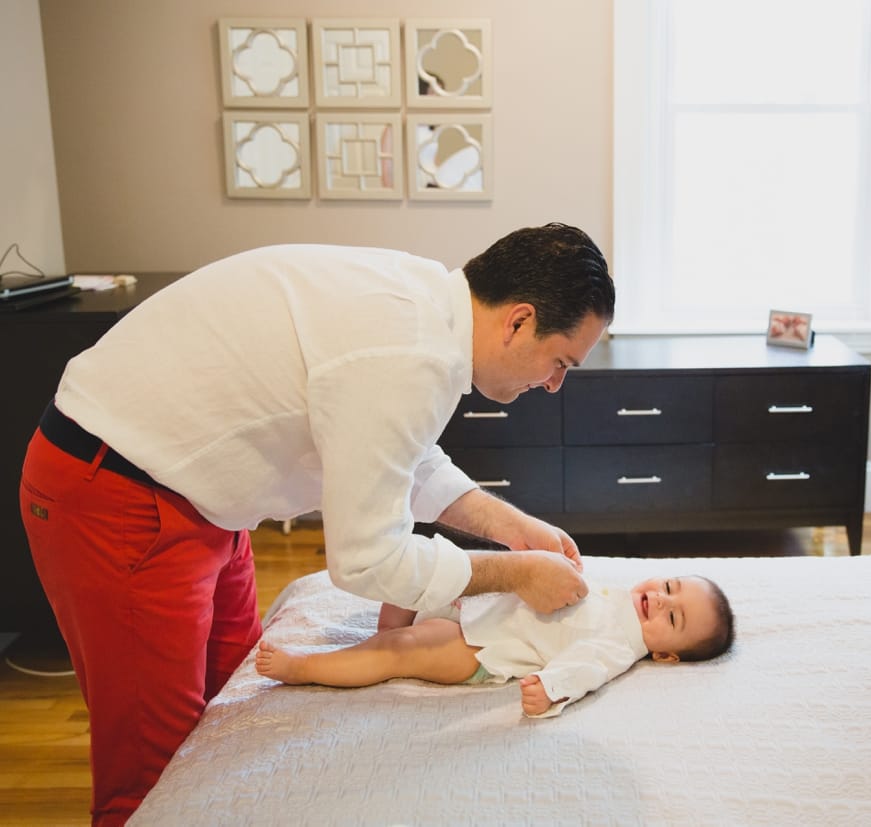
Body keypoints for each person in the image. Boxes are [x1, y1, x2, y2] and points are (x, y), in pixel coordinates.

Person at [17, 223, 614, 825]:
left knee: (229, 710)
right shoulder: (407, 354)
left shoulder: (426, 307)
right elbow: (366, 561)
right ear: (518, 321)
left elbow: (398, 451)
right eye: (560, 361)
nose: (554, 384)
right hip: (119, 490)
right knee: (156, 776)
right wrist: (513, 573)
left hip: (199, 495)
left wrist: (509, 525)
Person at [255, 574, 735, 717]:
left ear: (666, 654)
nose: (659, 599)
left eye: (672, 617)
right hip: (479, 610)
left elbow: (585, 668)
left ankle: (307, 667)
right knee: (404, 589)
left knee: (403, 647)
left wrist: (550, 690)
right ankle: (366, 653)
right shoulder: (619, 597)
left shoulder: (621, 643)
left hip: (480, 651)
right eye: (669, 586)